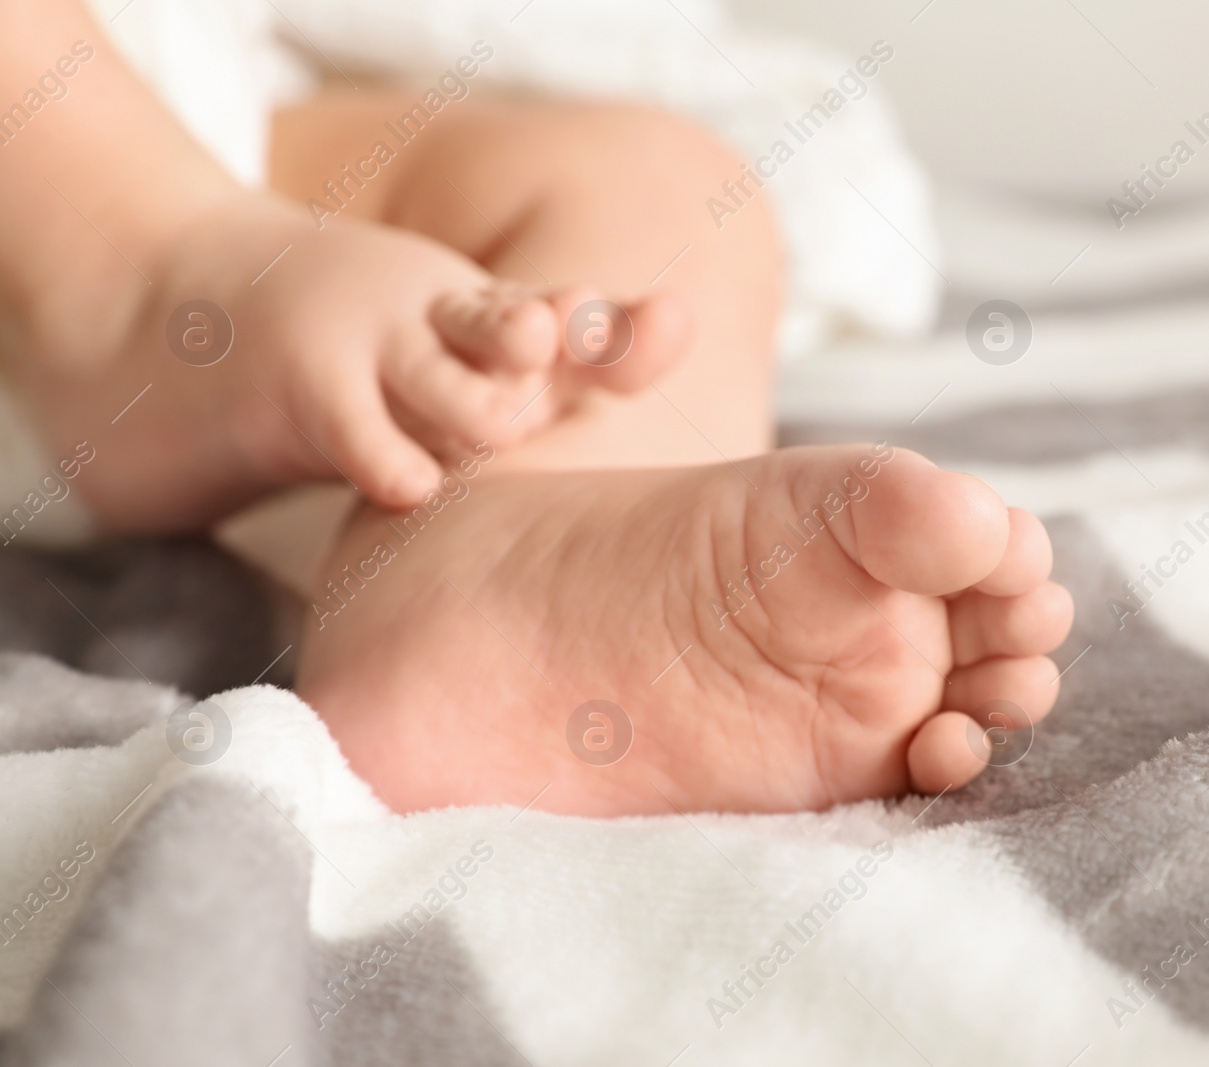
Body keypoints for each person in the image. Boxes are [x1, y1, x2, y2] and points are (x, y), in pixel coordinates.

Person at [0, 0, 1074, 815]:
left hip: (183, 123)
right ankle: (149, 274)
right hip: (94, 191)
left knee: (665, 184)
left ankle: (492, 557)